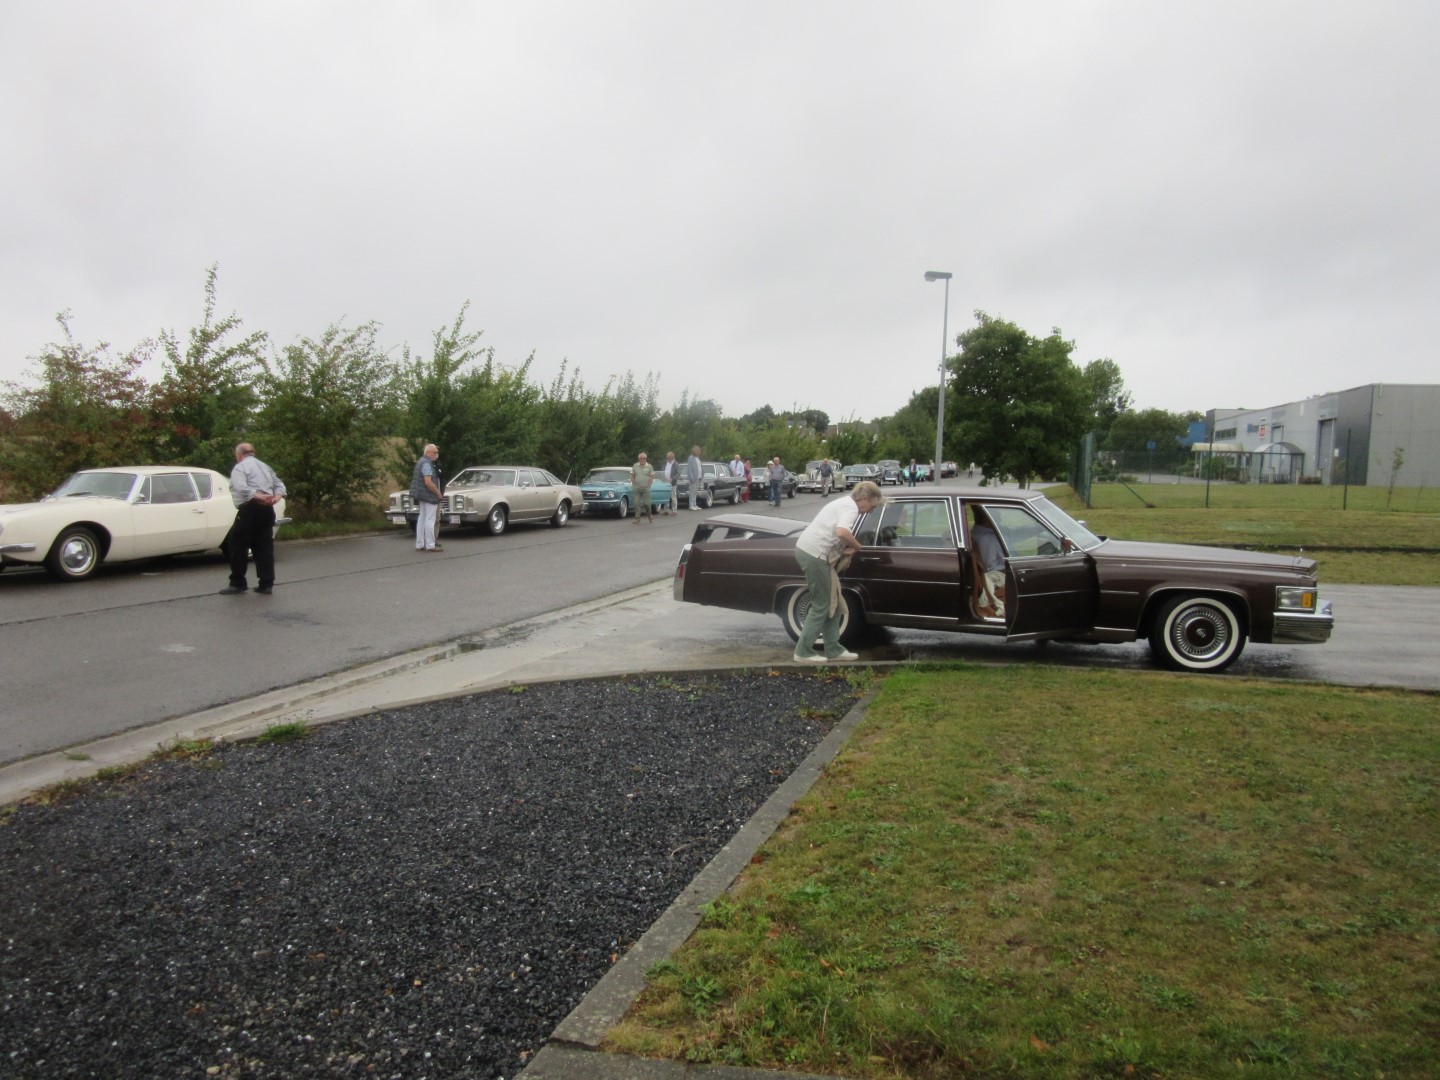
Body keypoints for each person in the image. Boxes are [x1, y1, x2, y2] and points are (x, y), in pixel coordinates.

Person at [791, 481, 883, 663]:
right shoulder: (851, 508)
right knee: (822, 604)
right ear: (865, 499)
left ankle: (834, 649)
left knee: (833, 600)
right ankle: (803, 651)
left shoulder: (845, 503)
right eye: (873, 506)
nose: (871, 511)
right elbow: (842, 532)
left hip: (814, 553)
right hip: (814, 555)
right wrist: (857, 546)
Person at [219, 442, 287, 595]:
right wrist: (277, 497)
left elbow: (241, 488)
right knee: (264, 547)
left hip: (250, 509)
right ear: (253, 453)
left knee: (236, 544)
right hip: (267, 510)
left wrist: (258, 496)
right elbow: (279, 484)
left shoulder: (240, 468)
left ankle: (238, 582)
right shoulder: (265, 466)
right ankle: (266, 584)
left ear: (239, 455)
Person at [970, 507, 1007, 617]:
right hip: (997, 576)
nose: (1000, 517)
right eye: (997, 514)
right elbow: (991, 568)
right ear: (987, 518)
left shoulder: (976, 532)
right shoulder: (986, 538)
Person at [411, 443, 443, 553]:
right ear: (428, 452)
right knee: (430, 520)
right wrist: (438, 492)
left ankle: (420, 544)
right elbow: (428, 482)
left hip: (421, 495)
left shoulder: (420, 461)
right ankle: (430, 545)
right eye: (435, 452)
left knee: (422, 518)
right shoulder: (427, 464)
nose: (436, 454)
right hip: (429, 495)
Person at [630, 451, 655, 524]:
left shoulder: (649, 466)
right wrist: (633, 484)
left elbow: (652, 476)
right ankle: (637, 518)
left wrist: (649, 485)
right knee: (636, 503)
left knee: (647, 504)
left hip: (646, 488)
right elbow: (632, 475)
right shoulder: (635, 466)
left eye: (644, 458)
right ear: (639, 459)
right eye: (641, 458)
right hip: (637, 488)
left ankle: (649, 515)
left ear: (646, 459)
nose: (642, 460)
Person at [686, 446, 703, 510]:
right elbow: (689, 468)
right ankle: (691, 505)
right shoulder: (691, 458)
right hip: (693, 478)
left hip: (698, 477)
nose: (699, 452)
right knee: (692, 491)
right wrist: (691, 478)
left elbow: (700, 466)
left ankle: (695, 504)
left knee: (695, 491)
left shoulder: (697, 458)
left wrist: (701, 475)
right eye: (698, 451)